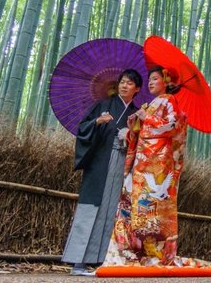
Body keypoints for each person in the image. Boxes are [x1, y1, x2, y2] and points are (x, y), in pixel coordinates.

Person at [101, 66, 211, 268]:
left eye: (155, 79)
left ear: (166, 82)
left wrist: (148, 118)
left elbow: (174, 126)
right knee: (128, 202)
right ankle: (126, 250)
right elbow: (142, 131)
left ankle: (151, 251)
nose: (151, 82)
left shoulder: (170, 101)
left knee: (151, 208)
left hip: (156, 165)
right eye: (150, 79)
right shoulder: (151, 103)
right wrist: (133, 126)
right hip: (141, 162)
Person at [62, 69, 142, 275]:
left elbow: (143, 143)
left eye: (130, 83)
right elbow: (83, 129)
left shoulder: (136, 113)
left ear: (137, 89)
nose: (124, 85)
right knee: (92, 207)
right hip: (101, 163)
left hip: (123, 165)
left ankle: (100, 259)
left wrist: (131, 134)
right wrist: (97, 122)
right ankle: (78, 261)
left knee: (112, 211)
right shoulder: (104, 105)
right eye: (122, 82)